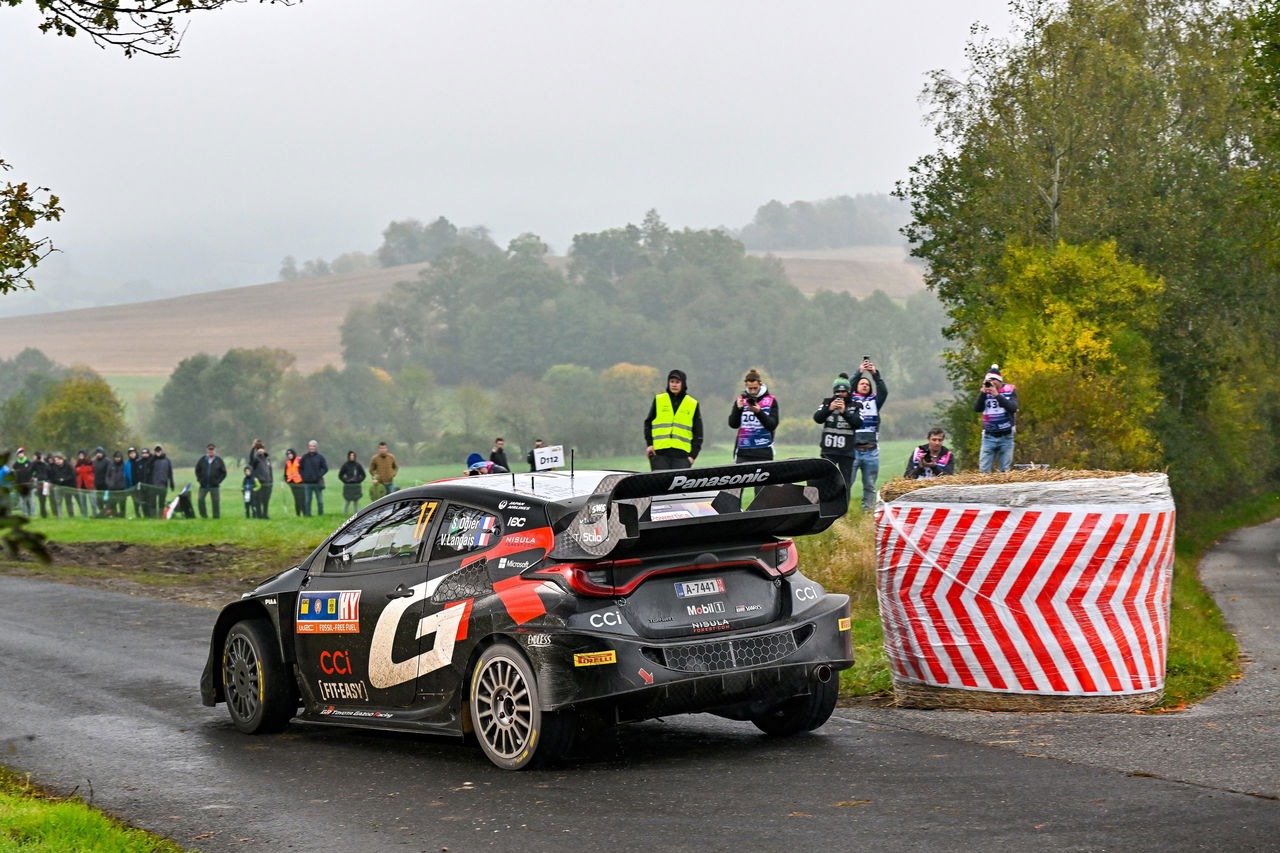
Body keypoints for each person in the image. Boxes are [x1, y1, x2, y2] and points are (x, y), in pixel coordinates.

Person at [847, 357, 889, 512]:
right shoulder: (850, 400)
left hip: (871, 451)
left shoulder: (874, 401)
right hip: (853, 450)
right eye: (862, 383)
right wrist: (859, 372)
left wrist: (874, 374)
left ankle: (868, 512)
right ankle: (841, 512)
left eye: (867, 384)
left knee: (870, 485)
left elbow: (883, 391)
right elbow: (848, 386)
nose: (865, 385)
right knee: (847, 483)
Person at [644, 368, 702, 470]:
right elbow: (648, 423)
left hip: (682, 457)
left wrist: (692, 456)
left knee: (678, 486)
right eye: (671, 382)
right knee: (659, 485)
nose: (674, 385)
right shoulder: (659, 400)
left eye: (677, 382)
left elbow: (698, 433)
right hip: (659, 454)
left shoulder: (692, 403)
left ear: (683, 384)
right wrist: (649, 445)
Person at [813, 374, 864, 491]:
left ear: (848, 391)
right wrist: (829, 409)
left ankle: (843, 508)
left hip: (846, 452)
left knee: (845, 484)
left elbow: (858, 423)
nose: (840, 394)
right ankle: (826, 507)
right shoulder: (827, 402)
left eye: (843, 391)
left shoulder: (855, 405)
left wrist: (844, 412)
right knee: (825, 481)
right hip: (828, 451)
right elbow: (817, 418)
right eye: (837, 391)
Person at [974, 363, 1019, 473]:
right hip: (989, 436)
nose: (991, 384)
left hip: (1006, 436)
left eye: (994, 381)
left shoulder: (1009, 390)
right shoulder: (985, 392)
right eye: (989, 382)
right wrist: (982, 394)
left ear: (999, 381)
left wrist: (997, 395)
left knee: (1005, 471)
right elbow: (977, 408)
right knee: (984, 470)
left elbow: (1013, 408)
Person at [728, 368, 779, 463]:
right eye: (750, 389)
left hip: (763, 452)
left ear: (760, 384)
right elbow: (733, 424)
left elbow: (772, 425)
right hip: (743, 452)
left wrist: (759, 412)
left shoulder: (771, 401)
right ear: (746, 385)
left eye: (755, 388)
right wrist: (738, 410)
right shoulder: (741, 400)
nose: (752, 392)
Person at [195, 444, 227, 519]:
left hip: (214, 485)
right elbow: (197, 470)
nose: (211, 451)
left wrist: (218, 481)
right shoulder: (202, 460)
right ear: (207, 450)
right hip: (203, 485)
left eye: (212, 450)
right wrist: (200, 480)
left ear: (215, 451)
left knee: (215, 501)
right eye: (209, 449)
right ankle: (204, 515)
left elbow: (224, 473)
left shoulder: (218, 460)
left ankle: (216, 516)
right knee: (200, 500)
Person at [299, 439, 328, 516]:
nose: (312, 447)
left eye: (314, 446)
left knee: (320, 501)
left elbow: (325, 468)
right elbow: (300, 468)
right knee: (307, 501)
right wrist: (303, 477)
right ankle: (308, 515)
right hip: (307, 483)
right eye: (311, 446)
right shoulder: (304, 457)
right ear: (308, 447)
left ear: (316, 447)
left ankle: (321, 514)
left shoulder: (320, 457)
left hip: (317, 483)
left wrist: (319, 475)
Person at [150, 445, 175, 516]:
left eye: (159, 450)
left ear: (162, 451)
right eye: (156, 451)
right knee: (153, 502)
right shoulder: (152, 460)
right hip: (153, 485)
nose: (158, 452)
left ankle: (160, 515)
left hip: (163, 484)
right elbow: (147, 469)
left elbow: (170, 473)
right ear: (154, 452)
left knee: (161, 501)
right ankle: (153, 516)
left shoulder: (167, 460)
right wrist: (153, 458)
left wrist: (171, 483)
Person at [48, 452, 76, 517]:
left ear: (62, 459)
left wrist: (64, 479)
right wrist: (57, 480)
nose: (57, 461)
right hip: (58, 486)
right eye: (55, 460)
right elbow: (52, 476)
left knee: (68, 501)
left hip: (67, 486)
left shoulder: (68, 466)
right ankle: (60, 515)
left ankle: (71, 515)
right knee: (58, 501)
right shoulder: (54, 467)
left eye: (58, 460)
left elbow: (72, 475)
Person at [10, 448, 36, 516]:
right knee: (22, 501)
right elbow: (13, 473)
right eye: (19, 454)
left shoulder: (29, 462)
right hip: (20, 484)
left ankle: (33, 513)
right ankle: (25, 514)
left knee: (31, 500)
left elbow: (34, 472)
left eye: (21, 453)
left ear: (24, 454)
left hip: (29, 484)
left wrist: (32, 478)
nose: (20, 455)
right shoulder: (16, 464)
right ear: (17, 455)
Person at [339, 450, 366, 514]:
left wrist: (358, 481)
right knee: (347, 500)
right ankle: (345, 513)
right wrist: (345, 481)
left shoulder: (357, 465)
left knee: (356, 501)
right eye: (350, 455)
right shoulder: (345, 465)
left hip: (356, 485)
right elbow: (340, 475)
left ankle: (356, 514)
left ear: (355, 456)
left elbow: (363, 475)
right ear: (348, 456)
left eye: (353, 455)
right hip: (348, 486)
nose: (352, 457)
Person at [251, 445, 273, 519]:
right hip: (259, 483)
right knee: (258, 500)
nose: (260, 450)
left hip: (268, 483)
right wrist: (253, 448)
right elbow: (251, 460)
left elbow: (270, 471)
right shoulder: (256, 459)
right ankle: (259, 515)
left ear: (264, 449)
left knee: (266, 500)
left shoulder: (267, 459)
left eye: (261, 449)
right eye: (258, 449)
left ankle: (265, 514)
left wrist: (271, 481)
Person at [104, 451, 128, 517]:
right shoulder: (111, 465)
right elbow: (107, 476)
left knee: (122, 503)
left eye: (119, 457)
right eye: (116, 457)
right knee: (112, 503)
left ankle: (122, 516)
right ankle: (114, 515)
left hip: (122, 488)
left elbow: (127, 476)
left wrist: (124, 484)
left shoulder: (124, 465)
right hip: (112, 488)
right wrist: (109, 484)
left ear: (121, 458)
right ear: (114, 458)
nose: (117, 459)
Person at [283, 448, 305, 516]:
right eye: (288, 454)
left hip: (301, 483)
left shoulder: (299, 460)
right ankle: (298, 514)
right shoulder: (287, 463)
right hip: (292, 484)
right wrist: (288, 482)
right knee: (296, 499)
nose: (290, 455)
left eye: (291, 454)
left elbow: (304, 470)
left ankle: (305, 513)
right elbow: (285, 474)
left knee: (303, 498)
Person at [73, 450, 95, 517]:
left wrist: (81, 469)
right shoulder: (76, 463)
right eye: (80, 455)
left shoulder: (90, 462)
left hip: (90, 485)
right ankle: (85, 515)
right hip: (81, 485)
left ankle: (95, 514)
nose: (81, 456)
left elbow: (90, 469)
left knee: (93, 502)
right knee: (83, 503)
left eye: (82, 454)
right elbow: (75, 471)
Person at [134, 447, 154, 517]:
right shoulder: (139, 462)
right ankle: (146, 515)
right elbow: (136, 474)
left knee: (150, 501)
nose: (145, 455)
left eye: (146, 453)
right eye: (143, 453)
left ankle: (151, 515)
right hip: (141, 485)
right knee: (143, 501)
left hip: (150, 485)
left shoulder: (151, 461)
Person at [91, 447, 111, 516]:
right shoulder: (94, 462)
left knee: (106, 500)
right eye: (97, 453)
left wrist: (108, 482)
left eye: (100, 453)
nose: (98, 454)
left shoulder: (107, 461)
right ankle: (102, 513)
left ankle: (108, 514)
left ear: (103, 453)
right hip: (97, 484)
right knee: (99, 501)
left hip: (105, 485)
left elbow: (109, 473)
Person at [31, 451, 50, 518]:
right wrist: (34, 476)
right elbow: (31, 471)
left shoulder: (45, 464)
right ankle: (43, 513)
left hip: (45, 483)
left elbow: (48, 471)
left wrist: (42, 462)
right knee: (41, 499)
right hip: (39, 482)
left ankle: (44, 512)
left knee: (44, 498)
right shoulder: (34, 464)